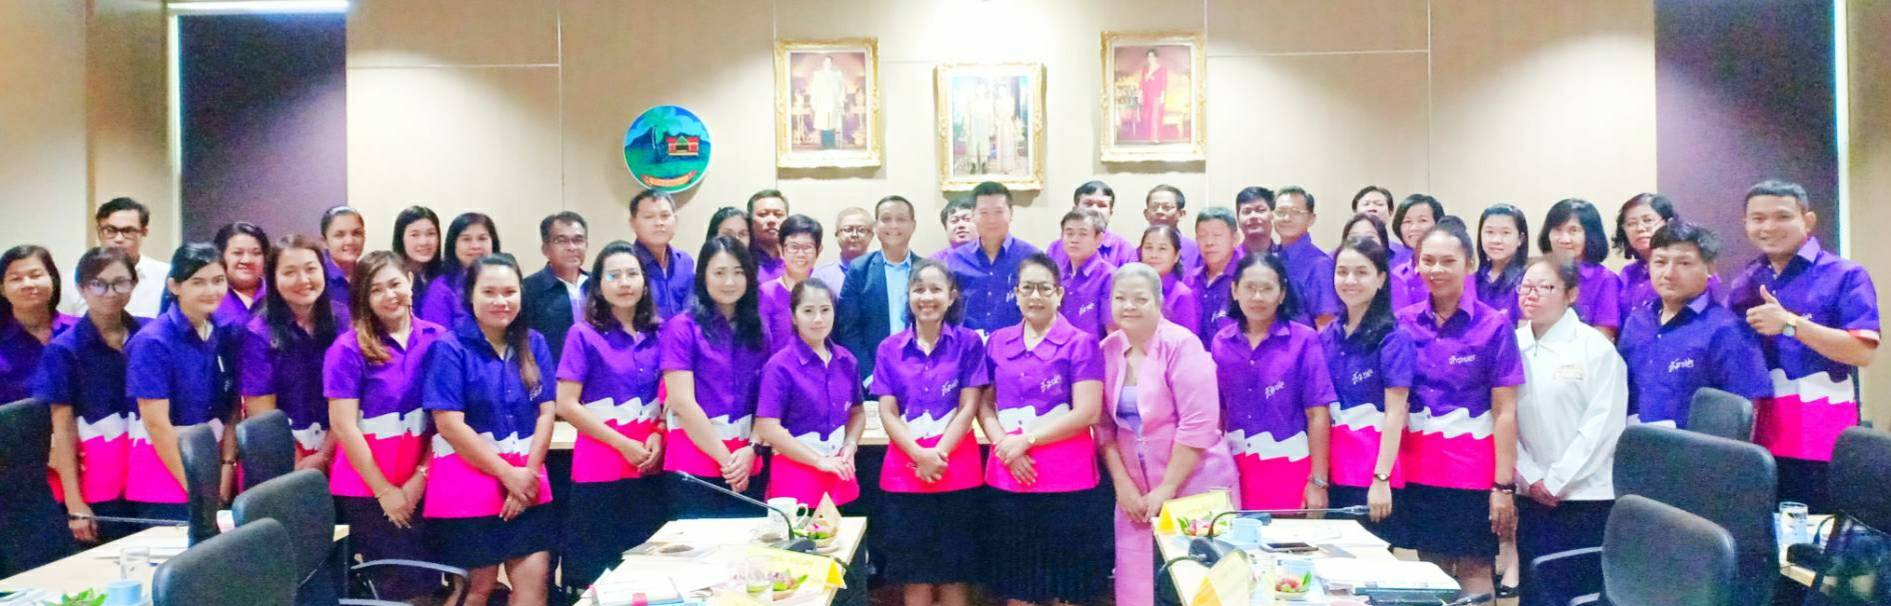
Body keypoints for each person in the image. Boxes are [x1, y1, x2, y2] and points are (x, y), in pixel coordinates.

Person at [1729, 179, 1879, 511]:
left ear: (1807, 221)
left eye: (1782, 216)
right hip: (1756, 440)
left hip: (1822, 439)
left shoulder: (1845, 275)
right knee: (1764, 534)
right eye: (1758, 218)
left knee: (1817, 536)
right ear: (1746, 224)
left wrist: (1791, 324)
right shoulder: (1746, 281)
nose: (1769, 227)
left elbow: (1862, 352)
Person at [1098, 263, 1238, 606]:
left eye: (1140, 299)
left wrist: (1167, 488)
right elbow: (1103, 426)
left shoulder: (1182, 344)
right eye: (1120, 298)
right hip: (1136, 488)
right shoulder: (1108, 349)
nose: (1129, 306)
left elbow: (1199, 424)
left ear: (1158, 302)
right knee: (1139, 586)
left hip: (1193, 481)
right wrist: (1122, 484)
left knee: (1197, 586)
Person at [420, 254, 556, 606]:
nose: (501, 301)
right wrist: (507, 474)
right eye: (489, 292)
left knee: (534, 585)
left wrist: (526, 476)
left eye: (509, 292)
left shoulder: (534, 343)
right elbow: (449, 424)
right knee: (476, 590)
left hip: (527, 477)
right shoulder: (450, 348)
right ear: (471, 295)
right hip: (468, 479)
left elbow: (546, 412)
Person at [1396, 221, 1523, 598]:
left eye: (1448, 261)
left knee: (1474, 568)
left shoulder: (1494, 326)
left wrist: (1503, 485)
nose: (1436, 270)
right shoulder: (1404, 324)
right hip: (1419, 468)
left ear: (1469, 264)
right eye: (1428, 261)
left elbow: (1505, 411)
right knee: (1431, 567)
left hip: (1473, 472)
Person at [975, 253, 1107, 606]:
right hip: (1009, 474)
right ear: (1016, 293)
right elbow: (985, 404)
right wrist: (1004, 444)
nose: (1035, 296)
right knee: (1017, 581)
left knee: (1065, 584)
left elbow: (1088, 411)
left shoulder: (1081, 342)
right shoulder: (998, 341)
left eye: (1044, 288)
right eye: (1027, 288)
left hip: (1066, 480)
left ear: (1059, 293)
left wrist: (1027, 441)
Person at [324, 250, 445, 602]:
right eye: (376, 290)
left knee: (432, 582)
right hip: (368, 489)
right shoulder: (347, 349)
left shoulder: (438, 339)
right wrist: (385, 491)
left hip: (426, 479)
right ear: (363, 297)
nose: (389, 295)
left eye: (394, 284)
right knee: (399, 588)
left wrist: (420, 478)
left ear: (409, 280)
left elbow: (443, 422)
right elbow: (344, 426)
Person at [1512, 255, 1629, 606]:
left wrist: (1557, 480)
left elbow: (1603, 425)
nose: (1531, 294)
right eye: (1526, 286)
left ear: (1571, 294)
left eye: (1544, 287)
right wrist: (1531, 478)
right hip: (1530, 493)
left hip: (1584, 496)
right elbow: (1501, 418)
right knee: (1534, 592)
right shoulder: (1512, 344)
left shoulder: (1596, 349)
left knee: (1574, 594)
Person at [872, 259, 988, 606]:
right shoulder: (889, 348)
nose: (927, 297)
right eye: (919, 289)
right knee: (915, 575)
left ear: (951, 297)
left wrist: (938, 455)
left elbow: (969, 406)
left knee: (955, 574)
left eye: (936, 289)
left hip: (958, 472)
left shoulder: (969, 343)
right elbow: (888, 411)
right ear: (908, 296)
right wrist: (918, 455)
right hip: (904, 474)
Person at [553, 241, 666, 593]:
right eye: (613, 275)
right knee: (599, 578)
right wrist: (623, 444)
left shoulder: (661, 333)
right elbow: (566, 404)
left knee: (649, 576)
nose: (624, 282)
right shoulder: (583, 334)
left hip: (651, 466)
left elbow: (670, 397)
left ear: (644, 283)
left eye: (632, 274)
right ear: (599, 285)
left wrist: (659, 433)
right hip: (600, 468)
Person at [1617, 221, 1770, 427]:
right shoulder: (1637, 322)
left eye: (1684, 263)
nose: (1669, 273)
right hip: (1635, 442)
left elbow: (1746, 410)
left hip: (1696, 446)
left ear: (1710, 268)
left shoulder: (1728, 330)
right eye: (1660, 262)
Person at [37, 247, 142, 545]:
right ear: (82, 288)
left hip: (146, 477)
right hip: (98, 484)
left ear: (134, 283)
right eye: (98, 284)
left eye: (120, 282)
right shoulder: (64, 349)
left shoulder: (148, 335)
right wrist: (74, 502)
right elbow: (63, 427)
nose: (110, 293)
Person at [1212, 252, 1334, 509]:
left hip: (1289, 470)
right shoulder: (1221, 343)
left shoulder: (1304, 340)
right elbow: (1219, 413)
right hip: (1234, 471)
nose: (1258, 297)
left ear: (1281, 294)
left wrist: (1318, 481)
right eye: (1250, 287)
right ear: (1235, 290)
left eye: (1267, 288)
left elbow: (1317, 414)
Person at [125, 243, 238, 520]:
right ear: (174, 286)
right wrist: (196, 489)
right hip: (164, 477)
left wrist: (227, 465)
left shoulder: (222, 332)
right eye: (198, 282)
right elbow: (156, 424)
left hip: (209, 466)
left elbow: (231, 406)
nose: (211, 290)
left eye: (218, 280)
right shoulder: (153, 341)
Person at [661, 236, 771, 515]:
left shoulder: (758, 329)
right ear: (703, 276)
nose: (729, 282)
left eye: (738, 272)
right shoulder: (681, 328)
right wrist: (727, 461)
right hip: (695, 464)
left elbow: (767, 399)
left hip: (748, 461)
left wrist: (752, 449)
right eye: (719, 273)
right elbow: (682, 402)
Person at [1322, 236, 1413, 545]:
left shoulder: (1394, 338)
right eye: (1342, 271)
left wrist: (1381, 478)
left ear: (1381, 279)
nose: (1350, 280)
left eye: (1361, 272)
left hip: (1372, 475)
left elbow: (1396, 413)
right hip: (1333, 475)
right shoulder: (1326, 336)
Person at [237, 235, 342, 473]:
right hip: (278, 454)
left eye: (310, 269)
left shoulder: (342, 321)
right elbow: (262, 414)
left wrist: (324, 456)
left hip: (337, 448)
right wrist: (298, 465)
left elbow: (349, 398)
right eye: (289, 272)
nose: (303, 280)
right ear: (272, 279)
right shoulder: (258, 333)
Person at [756, 279, 865, 507]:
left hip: (840, 475)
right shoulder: (779, 366)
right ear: (793, 317)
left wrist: (850, 445)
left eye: (825, 310)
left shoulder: (847, 361)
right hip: (795, 481)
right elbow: (767, 426)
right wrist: (818, 461)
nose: (818, 319)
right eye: (808, 311)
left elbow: (857, 412)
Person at [838, 195, 917, 383]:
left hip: (919, 374)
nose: (893, 226)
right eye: (886, 219)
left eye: (901, 219)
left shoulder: (926, 270)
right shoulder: (859, 270)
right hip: (873, 376)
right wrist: (869, 377)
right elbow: (849, 329)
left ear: (913, 225)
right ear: (876, 226)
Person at [946, 181, 1042, 334]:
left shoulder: (1032, 258)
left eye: (998, 212)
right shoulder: (956, 260)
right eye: (984, 213)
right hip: (968, 344)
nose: (991, 220)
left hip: (1017, 343)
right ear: (973, 215)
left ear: (1011, 213)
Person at [1613, 193, 1721, 320]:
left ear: (1669, 222)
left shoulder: (1696, 269)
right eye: (1631, 223)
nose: (1640, 228)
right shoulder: (1628, 274)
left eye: (1648, 220)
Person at [69, 197, 168, 317]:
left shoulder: (165, 277)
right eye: (110, 230)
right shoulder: (73, 280)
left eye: (128, 231)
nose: (118, 239)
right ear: (99, 232)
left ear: (144, 232)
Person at [1539, 199, 1622, 339]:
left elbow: (1603, 338)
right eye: (1557, 230)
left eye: (1573, 231)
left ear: (1590, 235)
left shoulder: (1606, 279)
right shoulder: (1538, 273)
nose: (1564, 239)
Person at [2, 245, 76, 402]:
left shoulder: (80, 330)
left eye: (35, 275)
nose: (27, 284)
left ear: (53, 279)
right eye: (16, 279)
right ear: (2, 289)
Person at [523, 212, 589, 366]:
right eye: (561, 241)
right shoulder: (529, 289)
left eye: (578, 240)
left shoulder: (599, 284)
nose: (572, 247)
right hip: (552, 373)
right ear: (546, 249)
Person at [418, 212, 501, 327]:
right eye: (466, 239)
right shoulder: (441, 290)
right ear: (453, 245)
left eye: (482, 238)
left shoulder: (505, 281)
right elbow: (437, 335)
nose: (475, 246)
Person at [1272, 186, 1339, 328]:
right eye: (1281, 212)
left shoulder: (1320, 264)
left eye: (1296, 212)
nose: (1287, 218)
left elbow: (1325, 323)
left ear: (1311, 219)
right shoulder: (1270, 258)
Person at [759, 215, 823, 354]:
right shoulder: (766, 293)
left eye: (807, 247)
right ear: (781, 249)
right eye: (794, 247)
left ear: (819, 251)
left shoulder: (823, 293)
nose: (800, 254)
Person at [630, 190, 697, 320]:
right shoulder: (627, 265)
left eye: (665, 216)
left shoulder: (685, 261)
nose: (659, 223)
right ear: (632, 223)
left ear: (675, 220)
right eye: (649, 217)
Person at [1055, 209, 1116, 338]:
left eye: (1082, 234)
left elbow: (1113, 331)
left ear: (1099, 239)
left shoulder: (1109, 276)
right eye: (1069, 233)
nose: (1074, 240)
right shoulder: (1055, 274)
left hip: (1094, 349)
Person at [1047, 181, 1136, 268]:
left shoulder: (1124, 249)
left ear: (1110, 213)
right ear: (1075, 209)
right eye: (1088, 204)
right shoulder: (1056, 248)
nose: (1094, 209)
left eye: (1101, 205)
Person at [1189, 207, 1243, 342]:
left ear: (1235, 238)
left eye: (1217, 235)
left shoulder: (1247, 277)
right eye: (1202, 236)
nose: (1209, 242)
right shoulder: (1190, 280)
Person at [1139, 225, 1200, 334]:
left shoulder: (1182, 295)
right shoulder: (1135, 289)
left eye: (1162, 249)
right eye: (1149, 247)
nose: (1154, 255)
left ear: (1176, 256)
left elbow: (1188, 339)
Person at [1390, 194, 1445, 310]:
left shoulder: (1448, 270)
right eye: (1407, 221)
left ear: (1438, 224)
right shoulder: (1397, 273)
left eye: (1423, 220)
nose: (1414, 228)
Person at [1475, 204, 1530, 322]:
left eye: (1505, 233)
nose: (1496, 240)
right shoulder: (1473, 280)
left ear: (1520, 239)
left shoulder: (1527, 280)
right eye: (1489, 232)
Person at [212, 222, 269, 327]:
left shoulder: (277, 295)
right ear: (220, 256)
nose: (247, 260)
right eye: (237, 253)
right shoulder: (209, 297)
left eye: (256, 253)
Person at [1142, 185, 1202, 274]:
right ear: (1146, 214)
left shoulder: (1195, 250)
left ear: (1181, 214)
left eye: (1166, 208)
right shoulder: (1138, 252)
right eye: (1154, 207)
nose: (1159, 211)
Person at [393, 206, 445, 305]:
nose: (424, 242)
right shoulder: (391, 277)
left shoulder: (447, 276)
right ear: (400, 239)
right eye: (415, 235)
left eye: (430, 233)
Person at [813, 206, 873, 292]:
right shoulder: (821, 276)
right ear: (837, 234)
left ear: (871, 235)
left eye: (861, 230)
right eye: (848, 229)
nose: (854, 235)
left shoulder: (882, 272)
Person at [320, 206, 367, 312]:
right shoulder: (318, 278)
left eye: (356, 233)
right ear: (324, 241)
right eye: (340, 235)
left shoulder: (369, 276)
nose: (350, 241)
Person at [748, 190, 792, 282]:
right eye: (763, 214)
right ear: (750, 221)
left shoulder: (796, 260)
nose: (771, 220)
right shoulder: (742, 262)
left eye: (778, 215)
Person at [930, 196, 976, 261]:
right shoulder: (936, 261)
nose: (960, 225)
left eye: (967, 219)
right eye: (954, 221)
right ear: (945, 227)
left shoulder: (990, 257)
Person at [1234, 186, 1275, 258]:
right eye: (1247, 212)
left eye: (1260, 210)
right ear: (1238, 219)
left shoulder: (1286, 257)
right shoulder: (1228, 259)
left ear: (1272, 215)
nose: (1253, 216)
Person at [1136, 48, 1167, 140]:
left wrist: (1163, 96)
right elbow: (1142, 83)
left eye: (1152, 56)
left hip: (1157, 95)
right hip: (1147, 96)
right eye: (1149, 56)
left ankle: (1155, 137)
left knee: (1155, 117)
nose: (1150, 58)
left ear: (1156, 57)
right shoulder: (1145, 69)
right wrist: (1140, 94)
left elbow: (1163, 83)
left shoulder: (1161, 69)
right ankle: (1149, 136)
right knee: (1147, 116)